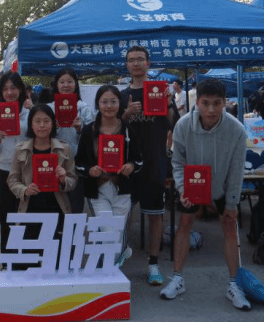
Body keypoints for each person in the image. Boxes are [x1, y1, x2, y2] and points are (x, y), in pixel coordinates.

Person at [160, 79, 251, 311]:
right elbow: (177, 162)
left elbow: (237, 169)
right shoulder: (182, 126)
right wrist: (182, 189)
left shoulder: (237, 130)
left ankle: (234, 284)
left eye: (217, 103)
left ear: (225, 103)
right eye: (206, 103)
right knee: (184, 224)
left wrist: (232, 202)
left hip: (222, 186)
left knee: (230, 228)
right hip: (192, 187)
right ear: (197, 102)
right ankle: (177, 278)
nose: (211, 109)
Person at [120, 45, 178, 286]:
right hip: (128, 164)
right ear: (126, 65)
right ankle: (119, 255)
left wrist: (170, 103)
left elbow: (174, 124)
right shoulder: (122, 95)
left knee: (156, 215)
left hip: (155, 161)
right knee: (124, 214)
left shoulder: (160, 91)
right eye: (131, 60)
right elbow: (112, 129)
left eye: (140, 59)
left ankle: (153, 263)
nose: (135, 63)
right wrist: (126, 114)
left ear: (148, 63)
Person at [75, 85, 143, 267]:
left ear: (120, 103)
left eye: (113, 101)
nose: (109, 106)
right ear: (98, 104)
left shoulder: (127, 130)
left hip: (122, 190)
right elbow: (79, 162)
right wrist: (90, 170)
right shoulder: (89, 131)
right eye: (104, 102)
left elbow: (139, 160)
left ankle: (111, 268)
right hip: (98, 190)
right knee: (108, 232)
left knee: (116, 234)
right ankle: (111, 269)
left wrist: (130, 166)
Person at [6, 104, 77, 269]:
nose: (42, 125)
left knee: (56, 262)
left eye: (46, 121)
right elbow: (12, 179)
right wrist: (24, 190)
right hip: (29, 210)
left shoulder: (64, 148)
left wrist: (63, 180)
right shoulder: (21, 149)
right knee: (29, 262)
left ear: (53, 123)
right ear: (31, 124)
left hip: (56, 209)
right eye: (37, 121)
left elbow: (73, 179)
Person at [0, 71, 30, 261]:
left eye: (13, 88)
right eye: (5, 89)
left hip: (27, 172)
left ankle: (27, 257)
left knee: (27, 216)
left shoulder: (30, 114)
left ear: (20, 89)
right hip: (5, 171)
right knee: (7, 216)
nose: (10, 92)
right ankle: (7, 259)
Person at [49, 68, 95, 213]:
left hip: (76, 163)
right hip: (54, 162)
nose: (66, 85)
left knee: (75, 202)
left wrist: (81, 130)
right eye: (62, 82)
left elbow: (92, 139)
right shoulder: (49, 109)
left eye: (69, 81)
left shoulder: (84, 108)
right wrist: (52, 129)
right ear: (56, 85)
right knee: (55, 204)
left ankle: (74, 227)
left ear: (75, 84)